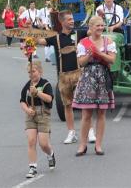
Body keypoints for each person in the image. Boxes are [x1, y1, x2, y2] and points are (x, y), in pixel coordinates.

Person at [38, 10, 96, 144]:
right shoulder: (56, 37)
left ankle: (90, 131)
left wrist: (95, 24)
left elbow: (91, 32)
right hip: (63, 76)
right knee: (67, 105)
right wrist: (30, 33)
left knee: (84, 104)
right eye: (69, 19)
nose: (72, 21)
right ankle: (71, 133)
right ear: (62, 21)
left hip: (79, 73)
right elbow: (40, 41)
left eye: (72, 19)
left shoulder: (79, 33)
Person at [72, 16, 116, 156]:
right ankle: (82, 145)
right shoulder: (83, 43)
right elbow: (81, 63)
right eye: (98, 25)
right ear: (90, 27)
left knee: (101, 113)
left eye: (102, 25)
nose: (100, 28)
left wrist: (99, 53)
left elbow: (112, 60)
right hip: (88, 77)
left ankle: (98, 145)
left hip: (102, 76)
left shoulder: (107, 41)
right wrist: (89, 56)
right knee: (86, 113)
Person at [20, 61, 55, 178]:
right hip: (31, 115)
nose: (31, 74)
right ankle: (32, 167)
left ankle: (50, 154)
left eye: (33, 71)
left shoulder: (46, 84)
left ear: (40, 71)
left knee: (43, 144)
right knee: (31, 141)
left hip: (43, 114)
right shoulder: (27, 85)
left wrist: (37, 93)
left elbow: (49, 99)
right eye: (29, 72)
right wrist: (26, 110)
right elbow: (22, 101)